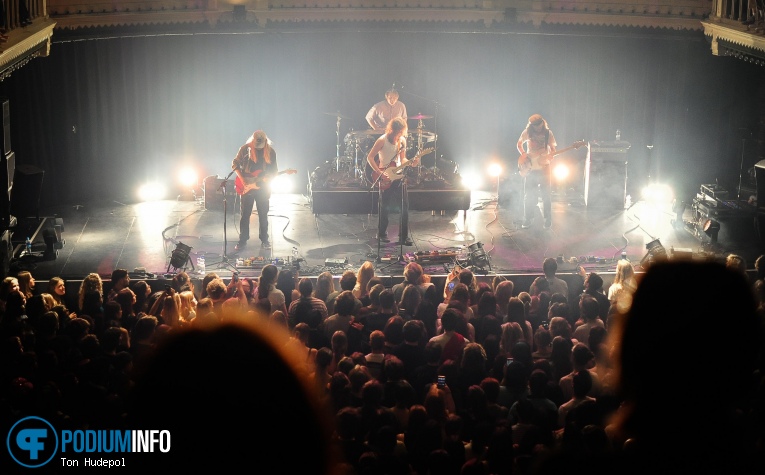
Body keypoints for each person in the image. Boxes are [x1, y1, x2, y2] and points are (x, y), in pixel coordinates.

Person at [366, 117, 419, 245]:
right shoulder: (382, 140)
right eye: (397, 132)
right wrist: (380, 173)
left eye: (401, 132)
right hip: (385, 176)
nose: (399, 134)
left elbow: (403, 159)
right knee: (384, 206)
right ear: (391, 130)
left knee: (404, 206)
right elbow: (370, 157)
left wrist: (412, 163)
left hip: (399, 176)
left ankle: (404, 236)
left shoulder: (402, 141)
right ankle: (382, 234)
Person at [232, 130, 279, 251]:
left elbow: (274, 171)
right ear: (252, 140)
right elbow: (235, 164)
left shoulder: (270, 152)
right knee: (245, 215)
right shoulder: (245, 149)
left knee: (263, 214)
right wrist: (243, 180)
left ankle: (265, 240)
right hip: (247, 186)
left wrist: (269, 177)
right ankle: (242, 240)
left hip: (263, 187)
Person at [517, 114, 557, 229]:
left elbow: (553, 149)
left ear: (542, 123)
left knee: (546, 195)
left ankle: (547, 220)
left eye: (539, 125)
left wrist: (549, 157)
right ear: (531, 125)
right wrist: (524, 155)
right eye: (534, 126)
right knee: (529, 195)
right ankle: (528, 219)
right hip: (530, 167)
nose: (537, 128)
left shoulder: (548, 133)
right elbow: (519, 144)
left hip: (544, 167)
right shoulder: (527, 132)